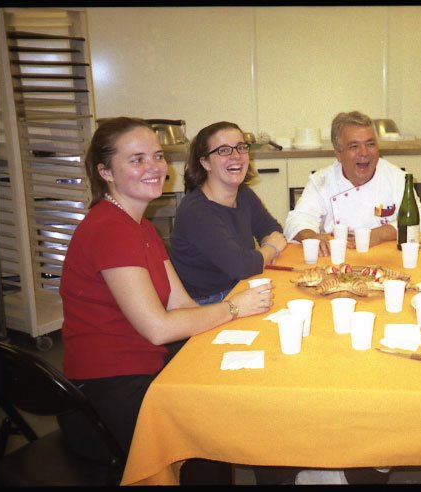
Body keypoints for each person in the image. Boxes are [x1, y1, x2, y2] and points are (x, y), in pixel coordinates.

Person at [58, 117, 274, 484]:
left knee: (237, 378)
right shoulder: (110, 229)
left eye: (157, 156)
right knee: (210, 439)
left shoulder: (139, 225)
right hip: (108, 387)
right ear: (105, 171)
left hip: (141, 361)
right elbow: (158, 328)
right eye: (137, 159)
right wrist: (235, 308)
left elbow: (181, 305)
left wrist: (238, 326)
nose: (155, 167)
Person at [170, 121, 287, 305]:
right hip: (207, 304)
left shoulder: (243, 193)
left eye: (241, 147)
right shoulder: (196, 211)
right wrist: (270, 250)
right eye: (223, 150)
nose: (236, 156)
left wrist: (262, 255)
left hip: (238, 288)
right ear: (205, 162)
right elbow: (241, 266)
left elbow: (272, 229)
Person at [284, 110, 421, 256]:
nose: (364, 152)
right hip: (338, 260)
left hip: (386, 259)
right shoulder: (322, 181)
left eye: (370, 144)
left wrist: (380, 234)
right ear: (338, 154)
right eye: (354, 146)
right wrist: (311, 236)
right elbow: (297, 220)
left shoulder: (396, 178)